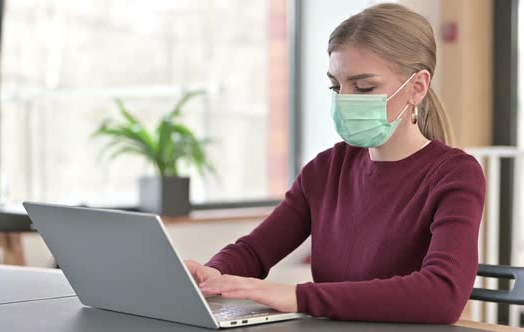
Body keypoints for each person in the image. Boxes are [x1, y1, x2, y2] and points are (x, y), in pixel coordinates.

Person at [185, 3, 485, 324]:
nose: (345, 99)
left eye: (364, 87)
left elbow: (442, 295)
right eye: (336, 86)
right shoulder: (326, 168)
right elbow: (255, 250)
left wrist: (298, 296)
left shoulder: (456, 174)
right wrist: (212, 273)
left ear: (417, 87)